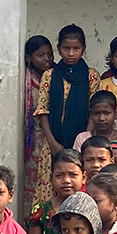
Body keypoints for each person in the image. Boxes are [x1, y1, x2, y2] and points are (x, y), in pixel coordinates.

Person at [35, 24, 100, 208]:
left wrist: (83, 140)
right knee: (50, 189)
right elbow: (43, 111)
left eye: (76, 49)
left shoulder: (92, 76)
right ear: (59, 49)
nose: (71, 53)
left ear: (83, 49)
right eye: (66, 48)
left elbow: (92, 112)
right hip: (53, 144)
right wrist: (53, 143)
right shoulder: (49, 76)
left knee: (76, 187)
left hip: (80, 144)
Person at [0, 35, 53, 205]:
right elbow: (4, 108)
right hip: (28, 140)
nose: (47, 59)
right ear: (29, 58)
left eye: (49, 54)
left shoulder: (57, 76)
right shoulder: (19, 80)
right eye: (40, 55)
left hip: (51, 138)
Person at [28, 149, 84, 234]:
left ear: (83, 177)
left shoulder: (91, 210)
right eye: (59, 175)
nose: (66, 181)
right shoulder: (40, 211)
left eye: (73, 175)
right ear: (51, 177)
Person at [73, 91, 117, 156]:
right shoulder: (82, 138)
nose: (101, 118)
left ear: (116, 114)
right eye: (96, 113)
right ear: (91, 114)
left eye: (106, 113)